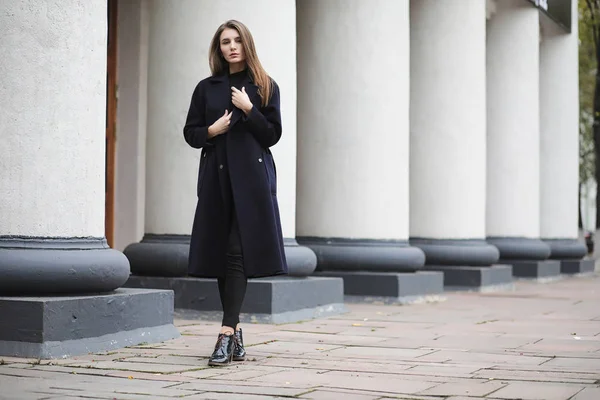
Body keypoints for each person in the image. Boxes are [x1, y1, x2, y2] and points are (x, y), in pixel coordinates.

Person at [183, 20, 288, 367]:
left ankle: (226, 332)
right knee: (220, 256)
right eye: (225, 41)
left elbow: (272, 134)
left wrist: (249, 109)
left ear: (247, 45)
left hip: (252, 182)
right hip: (216, 179)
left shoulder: (264, 86)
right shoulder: (206, 88)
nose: (231, 47)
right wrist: (211, 131)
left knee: (235, 252)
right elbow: (190, 132)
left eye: (237, 40)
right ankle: (237, 331)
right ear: (219, 48)